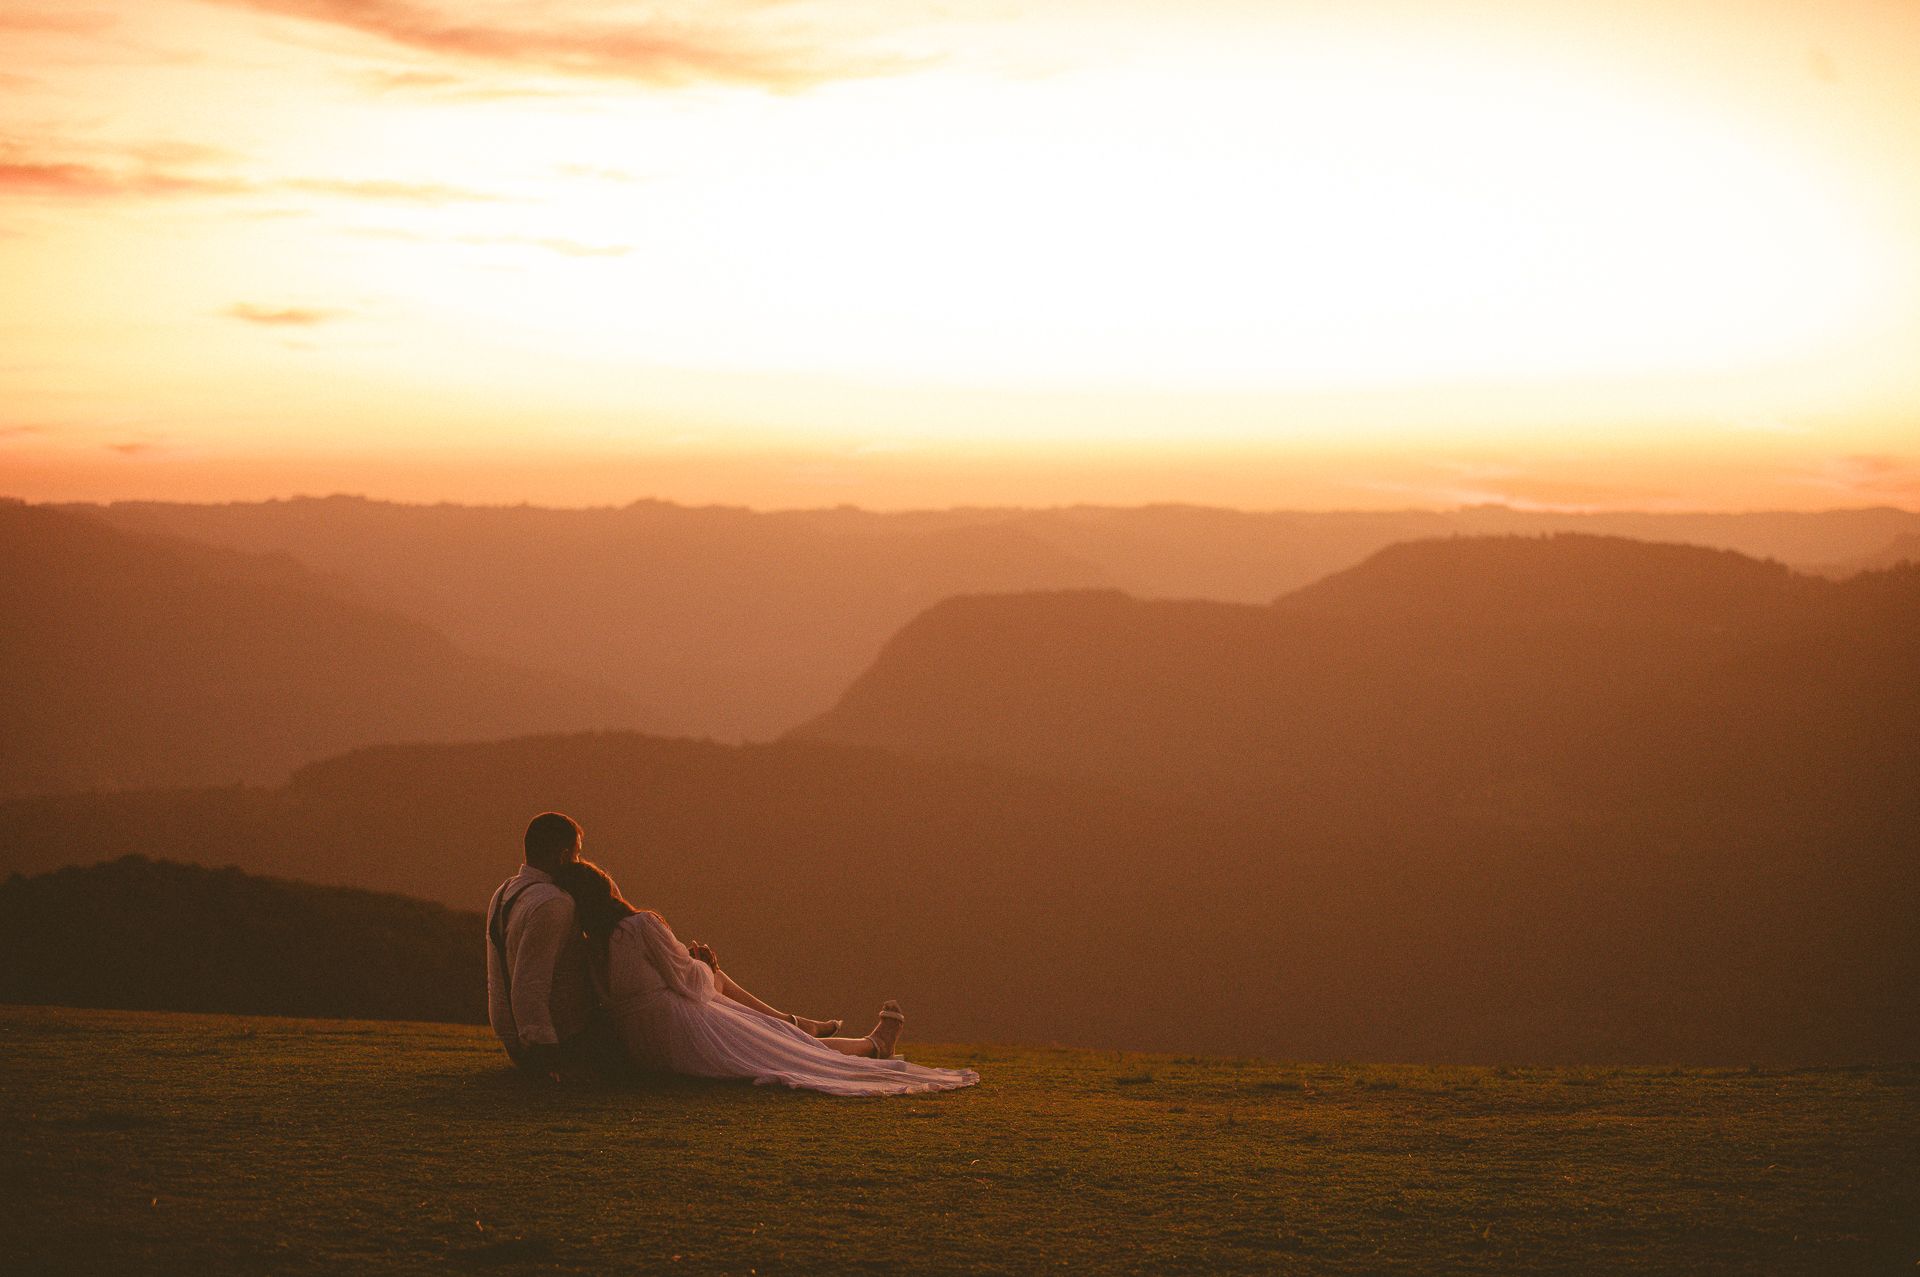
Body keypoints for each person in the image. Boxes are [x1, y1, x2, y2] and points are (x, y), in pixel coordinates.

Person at [551, 858, 979, 1096]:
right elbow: (691, 984)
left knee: (777, 1040)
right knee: (787, 1049)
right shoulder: (641, 925)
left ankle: (815, 1028)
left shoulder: (590, 946)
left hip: (642, 1043)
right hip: (676, 1027)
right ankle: (870, 1045)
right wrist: (705, 964)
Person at [485, 812, 616, 1080]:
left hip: (514, 1039)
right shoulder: (554, 903)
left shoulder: (504, 891)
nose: (579, 862)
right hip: (561, 1040)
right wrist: (547, 1053)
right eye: (577, 854)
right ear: (562, 856)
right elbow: (529, 983)